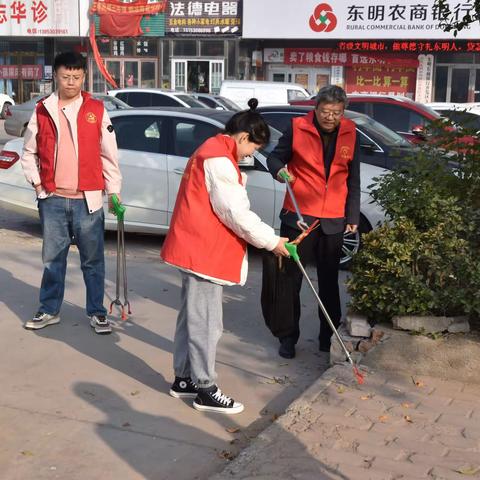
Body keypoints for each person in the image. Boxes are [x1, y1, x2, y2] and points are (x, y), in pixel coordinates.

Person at [161, 98, 289, 415]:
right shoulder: (219, 160)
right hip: (203, 251)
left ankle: (184, 380)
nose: (250, 155)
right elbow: (235, 213)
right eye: (252, 148)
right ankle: (205, 388)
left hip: (195, 247)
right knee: (206, 323)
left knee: (190, 318)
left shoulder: (213, 149)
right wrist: (272, 241)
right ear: (243, 137)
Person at [20, 51, 122, 334]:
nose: (71, 82)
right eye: (66, 76)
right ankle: (49, 309)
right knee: (53, 260)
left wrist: (114, 193)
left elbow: (109, 156)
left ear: (84, 77)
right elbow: (28, 153)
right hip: (53, 200)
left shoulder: (96, 109)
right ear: (56, 75)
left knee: (93, 261)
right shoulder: (42, 109)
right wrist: (39, 185)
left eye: (77, 77)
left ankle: (98, 312)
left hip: (87, 201)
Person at [266, 85, 360, 359]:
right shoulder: (297, 127)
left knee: (329, 283)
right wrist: (279, 171)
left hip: (332, 219)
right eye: (325, 111)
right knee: (291, 280)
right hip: (299, 217)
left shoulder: (350, 131)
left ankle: (326, 337)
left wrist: (352, 215)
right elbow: (274, 157)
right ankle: (287, 337)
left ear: (343, 112)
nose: (330, 117)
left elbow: (352, 177)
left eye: (336, 113)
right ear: (315, 108)